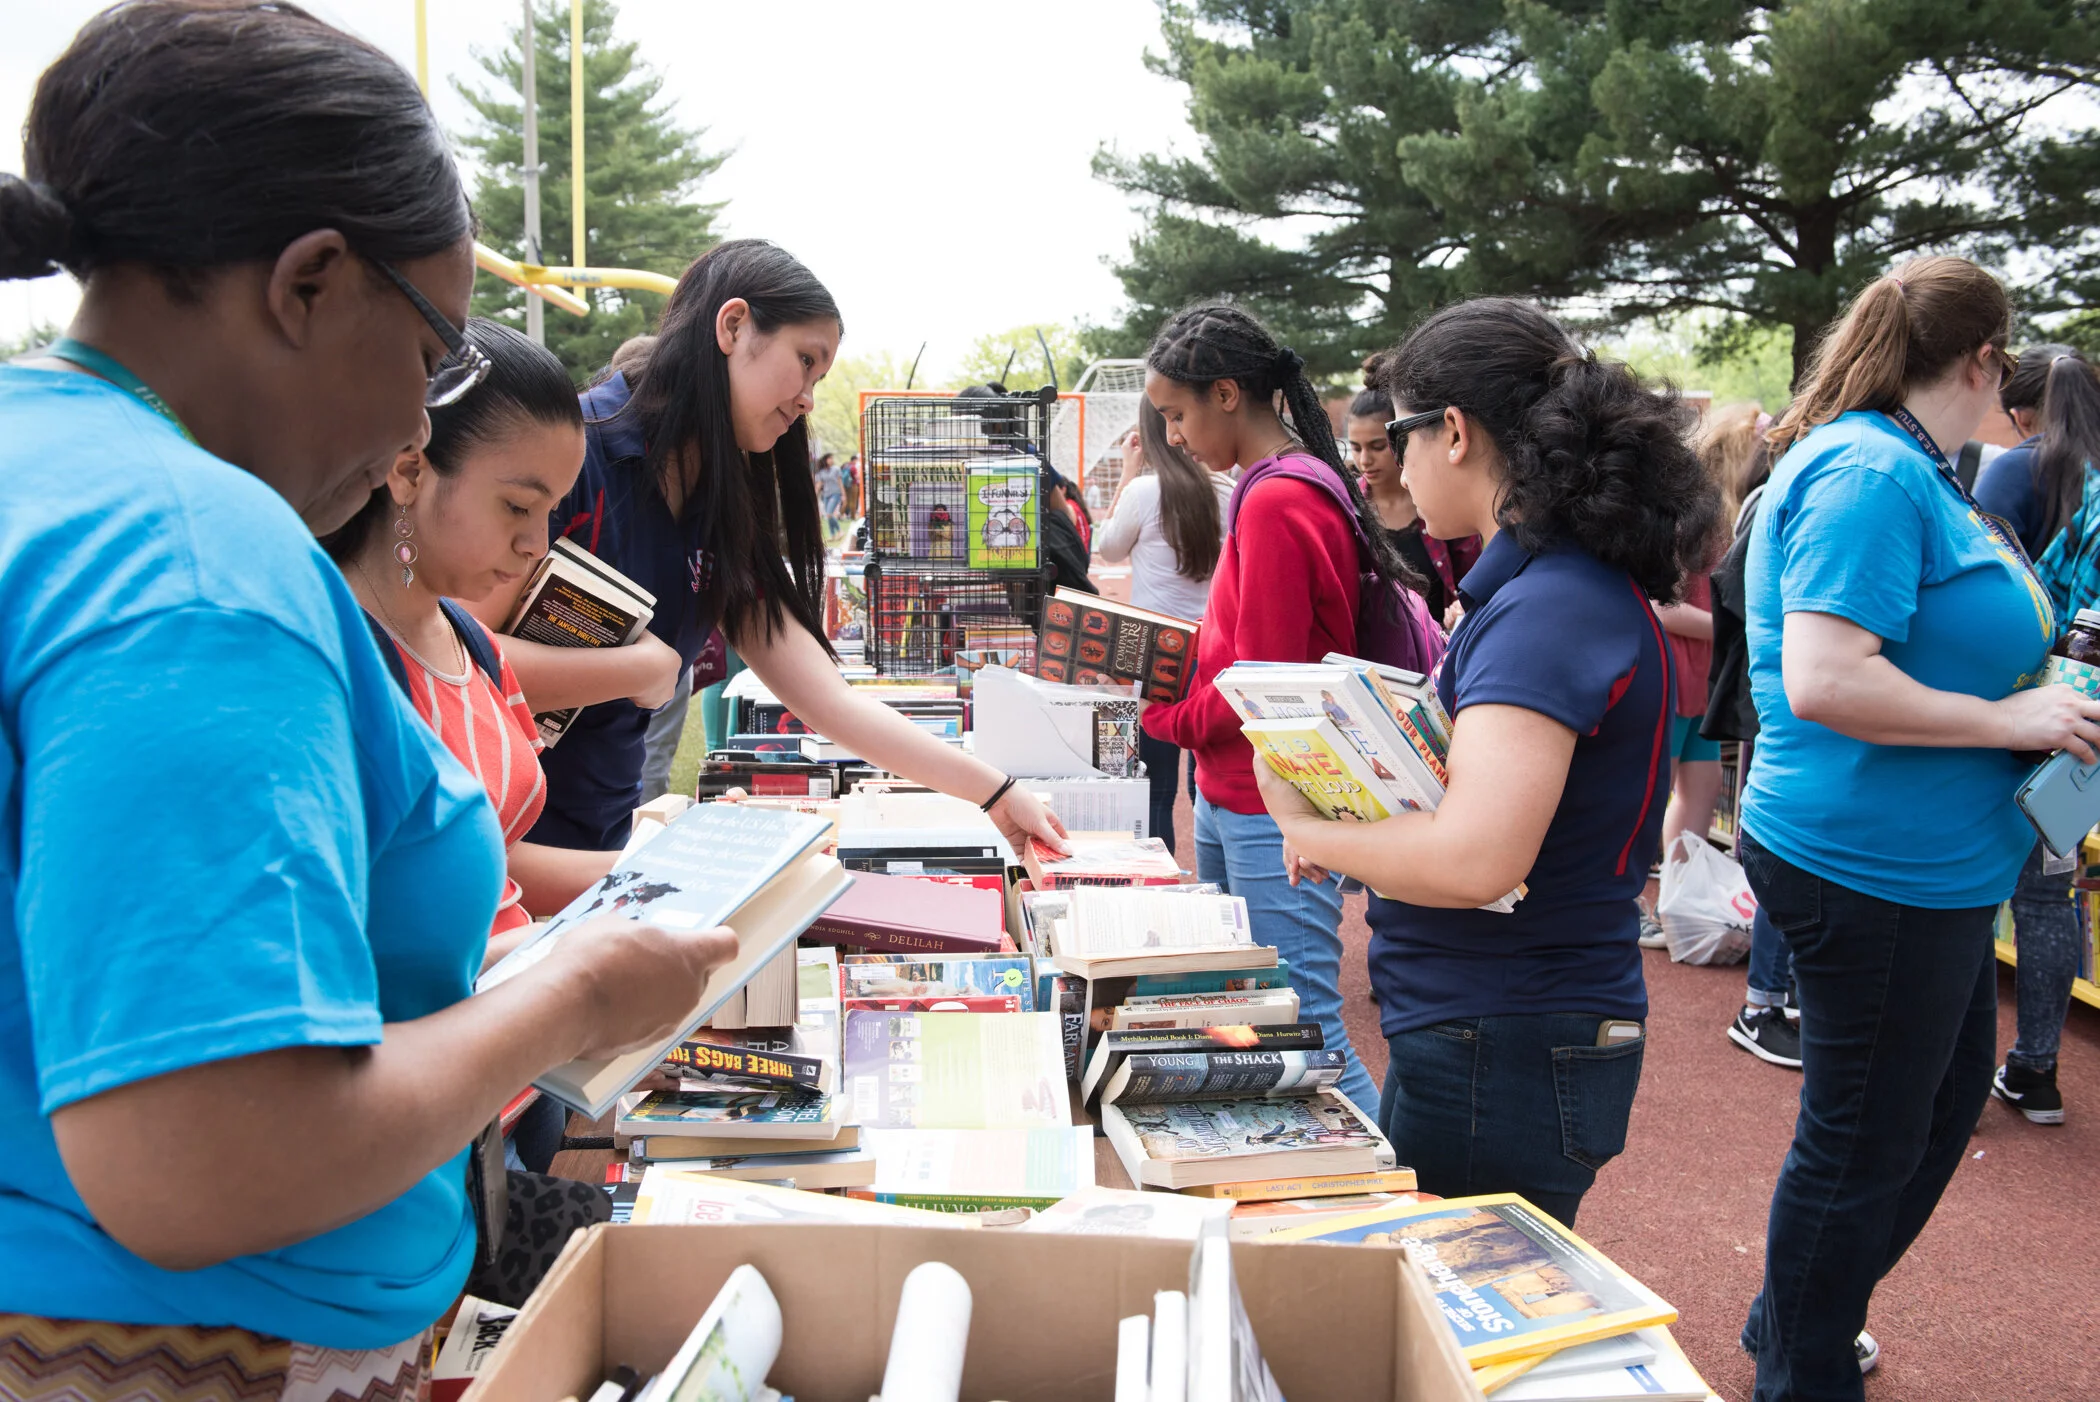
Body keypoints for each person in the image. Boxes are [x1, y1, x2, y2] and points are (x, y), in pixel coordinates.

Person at [0, 4, 731, 1394]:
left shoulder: (45, 470)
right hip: (185, 1336)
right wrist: (567, 993)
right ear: (311, 281)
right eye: (429, 351)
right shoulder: (192, 554)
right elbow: (204, 1156)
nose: (415, 423)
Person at [1253, 299, 1716, 1227]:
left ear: (1453, 432)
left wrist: (1305, 825)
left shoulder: (1550, 606)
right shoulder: (1562, 590)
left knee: (1456, 1329)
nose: (1395, 463)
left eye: (1403, 436)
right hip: (1506, 1025)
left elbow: (1476, 858)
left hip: (1501, 1030)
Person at [1737, 255, 2100, 1398]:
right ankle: (1799, 1365)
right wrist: (2011, 712)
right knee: (1863, 1138)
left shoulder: (1913, 470)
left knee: (1932, 1110)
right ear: (1984, 358)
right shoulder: (1872, 471)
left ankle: (1797, 1320)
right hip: (1873, 865)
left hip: (1923, 866)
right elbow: (1828, 679)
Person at [479, 239, 1068, 858]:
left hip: (599, 846)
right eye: (805, 361)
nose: (808, 397)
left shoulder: (720, 504)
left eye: (820, 376)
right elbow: (456, 660)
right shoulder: (578, 457)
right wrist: (640, 669)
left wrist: (996, 792)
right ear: (733, 325)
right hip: (502, 853)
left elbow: (828, 700)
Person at [1137, 302, 1419, 1113]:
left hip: (1272, 799)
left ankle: (1397, 1197)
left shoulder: (1276, 498)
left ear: (1227, 394)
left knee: (1304, 1028)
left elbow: (1262, 680)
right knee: (1257, 1022)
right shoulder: (1278, 486)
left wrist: (1164, 717)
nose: (1177, 437)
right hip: (1243, 795)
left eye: (1178, 414)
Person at [1984, 346, 2100, 1125]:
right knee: (2053, 893)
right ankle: (2036, 1069)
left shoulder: (2011, 471)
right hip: (2087, 723)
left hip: (2014, 709)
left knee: (1977, 884)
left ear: (2021, 410)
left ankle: (1955, 1068)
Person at [1693, 404, 1802, 1069]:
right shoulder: (1771, 504)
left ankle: (1773, 998)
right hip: (1773, 708)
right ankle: (1764, 1001)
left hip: (1766, 705)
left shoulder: (1765, 501)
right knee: (1781, 851)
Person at [1096, 399, 1232, 853]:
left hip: (1152, 654)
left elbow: (1108, 548)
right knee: (1208, 781)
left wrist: (1129, 472)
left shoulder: (1142, 493)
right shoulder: (1226, 490)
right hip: (1213, 648)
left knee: (1153, 792)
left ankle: (1162, 884)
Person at [1344, 382, 1480, 625]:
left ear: (1399, 439)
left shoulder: (1439, 501)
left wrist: (1461, 611)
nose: (1364, 460)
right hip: (1371, 656)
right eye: (1356, 448)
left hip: (1437, 649)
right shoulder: (1347, 507)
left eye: (1377, 447)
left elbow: (1472, 579)